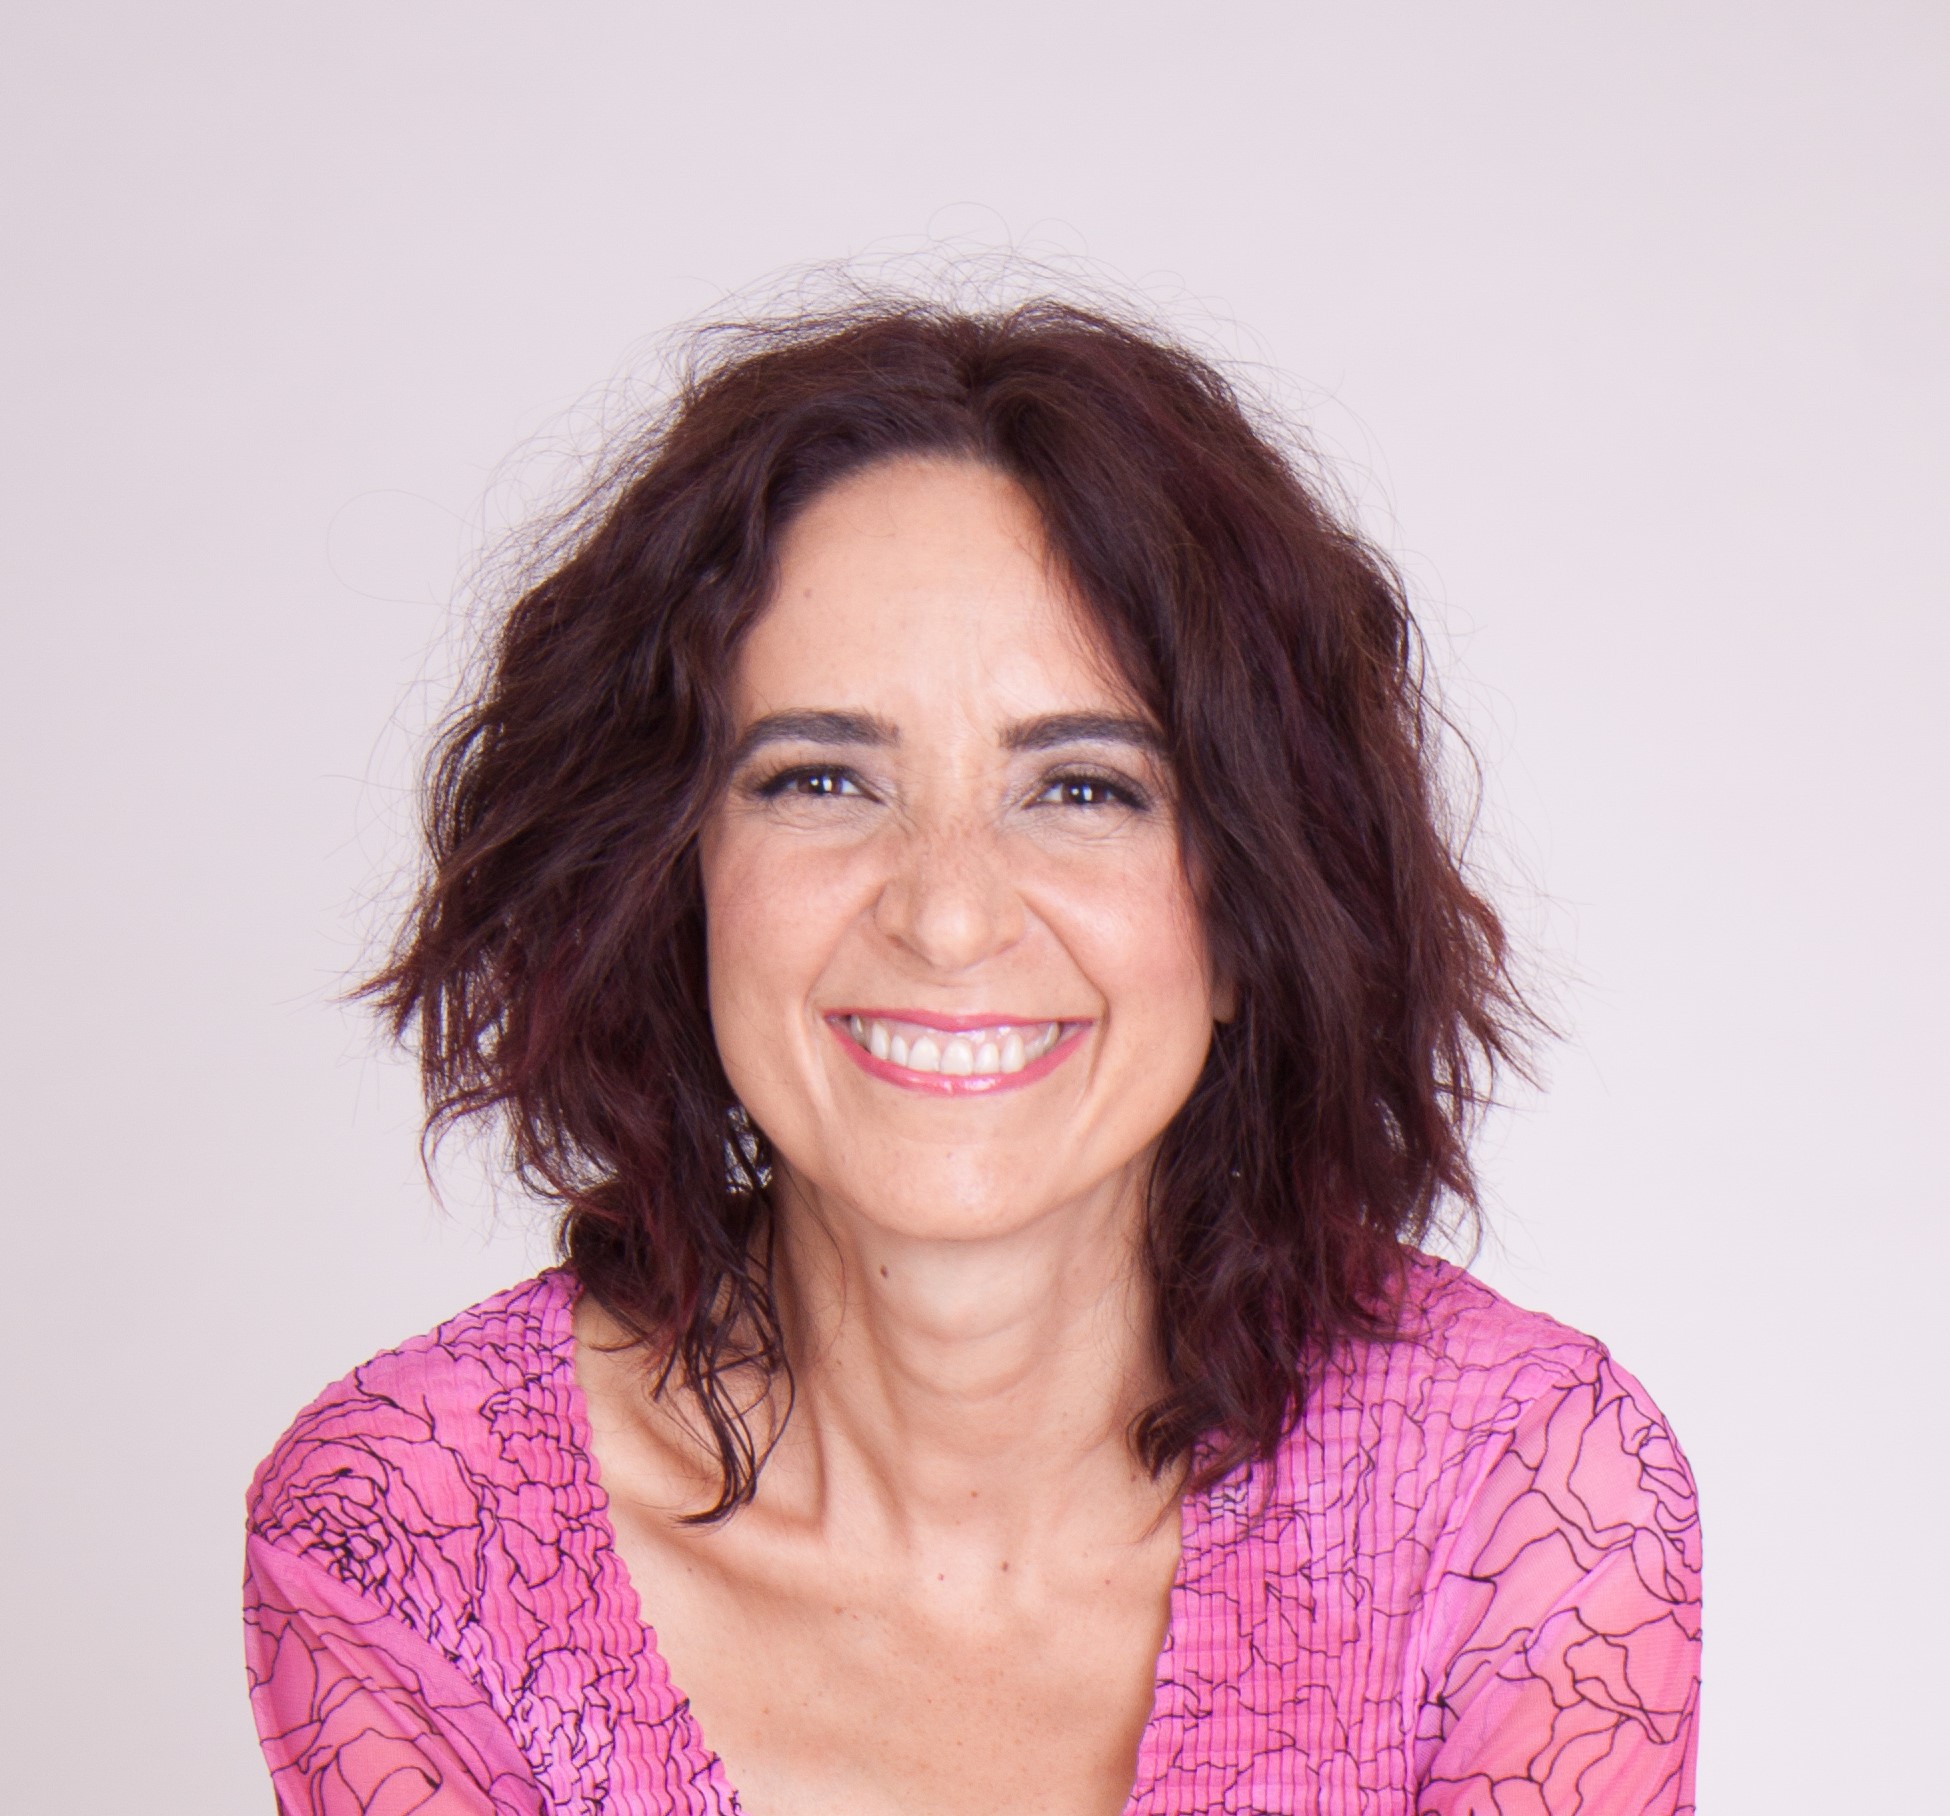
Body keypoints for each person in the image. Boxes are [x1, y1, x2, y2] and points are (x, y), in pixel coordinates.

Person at [243, 296, 1702, 1816]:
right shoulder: (411, 1537)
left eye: (1082, 789)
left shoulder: (1524, 1510)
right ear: (670, 884)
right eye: (820, 779)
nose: (946, 917)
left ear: (1250, 910)